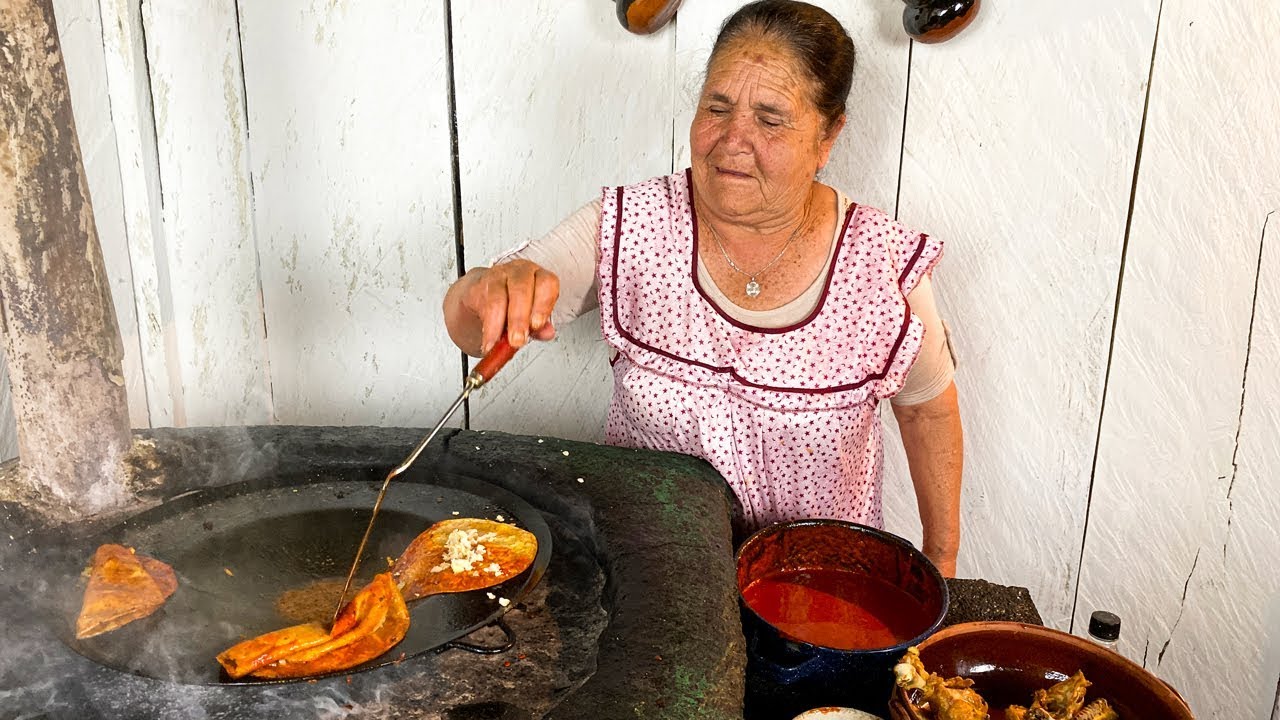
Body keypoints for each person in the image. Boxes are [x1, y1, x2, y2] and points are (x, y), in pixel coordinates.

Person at [443, 0, 963, 575]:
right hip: (647, 583)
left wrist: (942, 562)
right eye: (717, 107)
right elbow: (471, 330)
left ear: (827, 136)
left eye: (770, 119)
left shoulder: (881, 264)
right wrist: (487, 291)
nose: (732, 139)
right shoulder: (633, 223)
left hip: (815, 601)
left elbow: (927, 414)